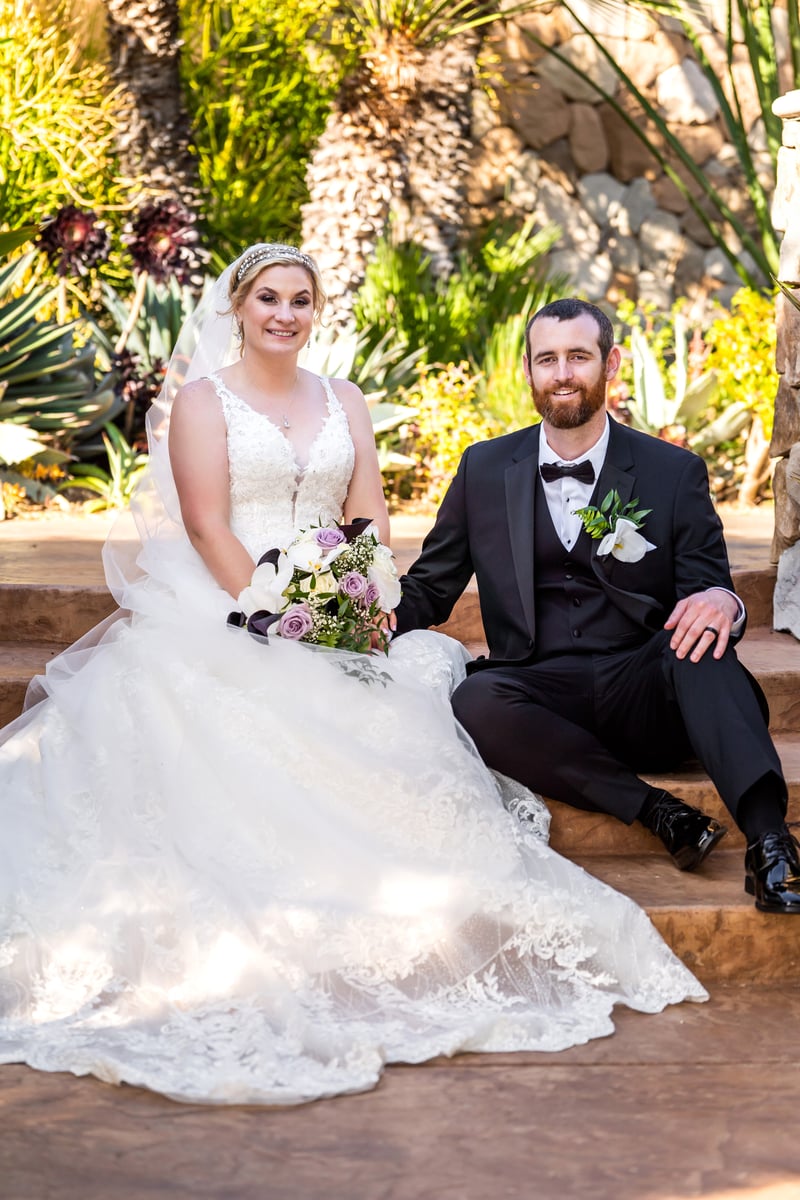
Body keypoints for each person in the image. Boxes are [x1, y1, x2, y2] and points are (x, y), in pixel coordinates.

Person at [0, 250, 707, 1109]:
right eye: (269, 298)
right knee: (241, 699)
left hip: (333, 601)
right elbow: (208, 525)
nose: (285, 314)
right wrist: (276, 615)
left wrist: (355, 599)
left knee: (420, 675)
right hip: (230, 600)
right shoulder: (202, 401)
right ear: (239, 306)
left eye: (301, 300)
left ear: (315, 310)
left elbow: (366, 515)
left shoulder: (344, 398)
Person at [395, 297, 800, 916]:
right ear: (528, 370)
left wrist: (723, 602)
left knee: (699, 645)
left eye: (578, 357)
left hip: (644, 690)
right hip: (539, 696)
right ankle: (658, 812)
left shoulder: (672, 471)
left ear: (610, 364)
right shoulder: (483, 468)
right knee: (475, 700)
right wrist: (355, 615)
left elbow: (708, 585)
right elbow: (432, 584)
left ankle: (771, 845)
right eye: (547, 359)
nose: (563, 374)